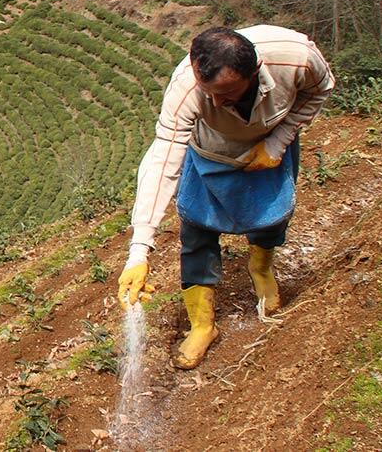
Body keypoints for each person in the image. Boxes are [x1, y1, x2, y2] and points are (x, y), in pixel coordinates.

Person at [117, 25, 334, 369]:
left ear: (255, 69)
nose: (217, 103)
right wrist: (139, 248)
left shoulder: (297, 59)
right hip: (211, 153)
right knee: (197, 232)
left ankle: (261, 268)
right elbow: (164, 157)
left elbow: (321, 90)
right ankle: (203, 325)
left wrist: (278, 142)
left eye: (228, 94)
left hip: (267, 148)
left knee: (271, 217)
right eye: (211, 94)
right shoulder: (187, 87)